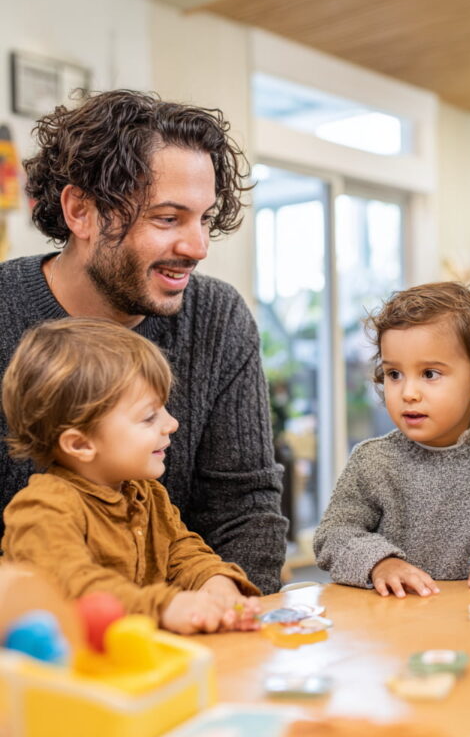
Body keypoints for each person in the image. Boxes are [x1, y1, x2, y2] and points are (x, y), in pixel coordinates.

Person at [0, 90, 287, 594]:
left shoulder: (217, 317)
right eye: (168, 218)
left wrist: (226, 606)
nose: (197, 247)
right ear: (81, 211)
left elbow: (244, 511)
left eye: (203, 218)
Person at [2, 318, 261, 634]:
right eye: (149, 416)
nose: (172, 423)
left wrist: (216, 583)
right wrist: (165, 607)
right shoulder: (41, 509)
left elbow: (181, 552)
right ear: (80, 443)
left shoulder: (146, 492)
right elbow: (73, 588)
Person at [313, 282, 470, 597]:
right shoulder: (372, 461)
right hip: (400, 620)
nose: (408, 393)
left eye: (430, 374)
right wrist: (379, 563)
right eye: (394, 374)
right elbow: (334, 535)